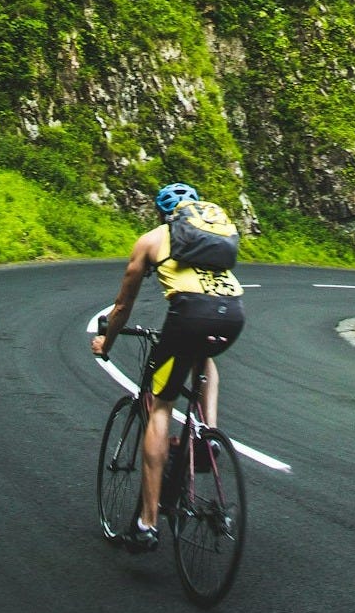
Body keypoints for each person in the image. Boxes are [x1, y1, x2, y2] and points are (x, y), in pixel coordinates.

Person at [91, 182, 245, 553]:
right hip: (233, 315)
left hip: (190, 315)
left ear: (162, 214)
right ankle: (207, 434)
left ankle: (146, 525)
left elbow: (122, 306)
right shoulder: (210, 241)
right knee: (202, 356)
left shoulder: (151, 240)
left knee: (160, 406)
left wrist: (105, 344)